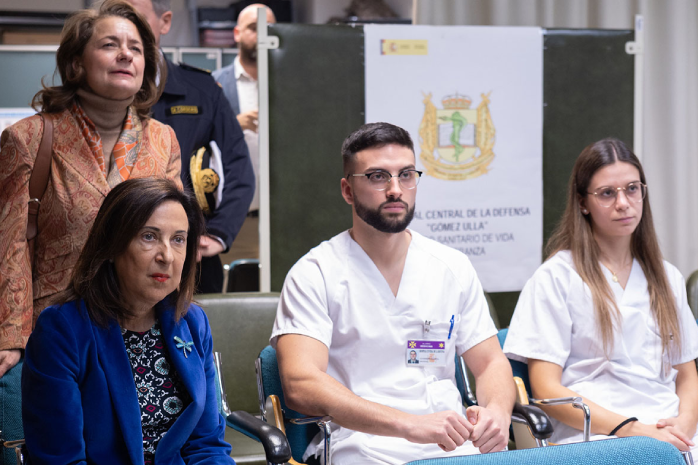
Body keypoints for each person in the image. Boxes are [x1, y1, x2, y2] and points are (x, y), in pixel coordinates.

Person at [271, 122, 515, 465]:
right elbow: (300, 383)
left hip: (454, 440)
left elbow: (490, 362)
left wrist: (498, 413)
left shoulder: (451, 266)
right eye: (377, 177)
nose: (395, 189)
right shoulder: (315, 273)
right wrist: (410, 425)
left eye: (406, 175)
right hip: (361, 445)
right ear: (347, 190)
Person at [0, 0, 182, 378]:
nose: (125, 55)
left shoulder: (163, 140)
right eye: (109, 45)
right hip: (57, 333)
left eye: (136, 48)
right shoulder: (29, 138)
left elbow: (177, 236)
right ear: (77, 63)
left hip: (142, 330)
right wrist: (11, 335)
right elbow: (10, 244)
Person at [503, 138, 698, 458]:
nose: (623, 202)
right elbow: (545, 389)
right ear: (583, 203)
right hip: (596, 435)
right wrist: (634, 430)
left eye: (632, 189)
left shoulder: (667, 277)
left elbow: (687, 375)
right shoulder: (555, 278)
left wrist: (686, 427)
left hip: (670, 429)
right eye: (607, 193)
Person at [22, 177, 233, 464]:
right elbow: (62, 460)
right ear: (111, 246)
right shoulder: (61, 330)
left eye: (178, 239)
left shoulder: (193, 322)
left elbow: (207, 446)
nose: (167, 256)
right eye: (149, 236)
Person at [127, 0, 255, 293]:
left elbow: (239, 167)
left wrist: (218, 233)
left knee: (191, 336)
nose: (127, 30)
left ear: (165, 21)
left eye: (136, 18)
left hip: (187, 258)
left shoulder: (201, 89)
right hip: (116, 253)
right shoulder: (101, 89)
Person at [213, 4, 276, 219]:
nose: (262, 34)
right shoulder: (213, 84)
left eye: (268, 27)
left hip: (282, 211)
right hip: (234, 213)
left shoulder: (290, 84)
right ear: (237, 34)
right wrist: (233, 125)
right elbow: (196, 145)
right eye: (254, 27)